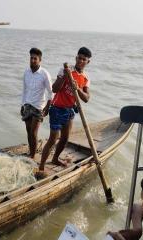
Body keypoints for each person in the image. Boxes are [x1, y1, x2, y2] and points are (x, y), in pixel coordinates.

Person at [36, 47, 92, 179]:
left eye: (84, 59)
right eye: (79, 58)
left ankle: (55, 159)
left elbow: (86, 98)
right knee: (53, 139)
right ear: (76, 58)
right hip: (57, 109)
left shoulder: (85, 78)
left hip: (69, 110)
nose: (81, 61)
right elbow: (54, 89)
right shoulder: (66, 70)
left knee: (65, 138)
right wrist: (65, 76)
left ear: (88, 62)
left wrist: (77, 88)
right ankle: (41, 167)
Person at [21, 48, 53, 159]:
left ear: (40, 60)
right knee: (28, 131)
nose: (33, 60)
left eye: (35, 58)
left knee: (33, 132)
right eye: (31, 58)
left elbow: (51, 92)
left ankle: (33, 155)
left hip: (39, 107)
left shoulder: (44, 74)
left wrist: (48, 107)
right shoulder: (26, 72)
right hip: (27, 105)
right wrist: (22, 104)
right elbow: (24, 90)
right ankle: (31, 151)